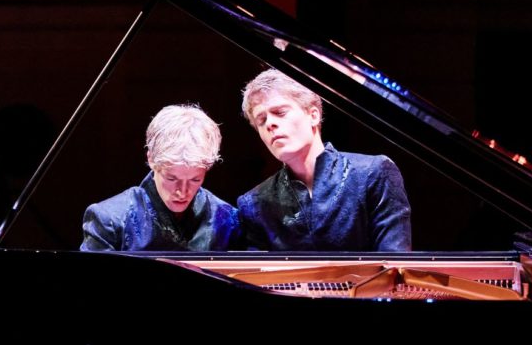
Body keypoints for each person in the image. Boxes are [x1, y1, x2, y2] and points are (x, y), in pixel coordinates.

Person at [237, 69, 412, 251]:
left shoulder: (373, 173)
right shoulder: (254, 203)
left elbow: (395, 265)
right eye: (261, 120)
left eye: (280, 112)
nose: (270, 124)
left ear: (314, 115)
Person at [81, 104, 242, 251]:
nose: (182, 192)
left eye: (195, 180)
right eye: (172, 179)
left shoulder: (227, 220)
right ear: (151, 159)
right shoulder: (109, 219)